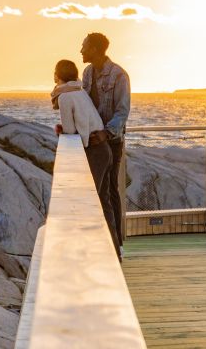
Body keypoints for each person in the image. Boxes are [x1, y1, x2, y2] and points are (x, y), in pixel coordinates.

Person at [52, 59, 120, 257]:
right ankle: (114, 252)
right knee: (104, 202)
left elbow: (72, 130)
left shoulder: (65, 97)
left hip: (94, 152)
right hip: (104, 150)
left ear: (58, 75)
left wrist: (62, 132)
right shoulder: (80, 91)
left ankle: (90, 253)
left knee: (88, 205)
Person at [81, 32, 130, 253]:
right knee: (96, 191)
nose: (81, 50)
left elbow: (122, 111)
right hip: (93, 142)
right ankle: (102, 241)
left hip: (111, 141)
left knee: (109, 189)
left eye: (84, 46)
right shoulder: (88, 72)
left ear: (95, 49)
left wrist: (106, 133)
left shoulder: (119, 75)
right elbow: (83, 104)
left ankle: (115, 244)